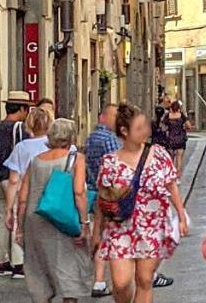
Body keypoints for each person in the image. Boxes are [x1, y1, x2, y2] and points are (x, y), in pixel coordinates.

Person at [95, 102, 189, 303]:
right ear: (124, 131)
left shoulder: (159, 154)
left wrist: (181, 216)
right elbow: (102, 198)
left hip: (153, 226)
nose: (145, 131)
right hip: (120, 227)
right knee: (120, 283)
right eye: (139, 128)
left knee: (145, 280)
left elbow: (172, 186)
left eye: (145, 126)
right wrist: (96, 232)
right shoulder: (110, 161)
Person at [16, 118, 93, 303]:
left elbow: (23, 197)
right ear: (71, 137)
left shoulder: (35, 161)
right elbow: (79, 192)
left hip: (35, 219)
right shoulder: (76, 159)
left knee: (38, 269)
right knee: (69, 266)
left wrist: (19, 227)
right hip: (64, 219)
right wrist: (84, 222)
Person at [3, 106, 63, 281]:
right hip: (52, 195)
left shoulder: (21, 148)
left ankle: (20, 264)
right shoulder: (56, 146)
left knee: (22, 230)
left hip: (27, 195)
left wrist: (9, 209)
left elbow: (14, 180)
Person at [0, 91, 32, 278]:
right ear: (22, 109)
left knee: (2, 217)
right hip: (14, 177)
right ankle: (17, 263)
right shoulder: (22, 129)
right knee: (15, 216)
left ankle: (0, 262)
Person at [85, 105, 120, 298]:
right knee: (111, 237)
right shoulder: (109, 139)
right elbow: (116, 167)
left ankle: (99, 281)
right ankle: (102, 281)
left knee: (100, 234)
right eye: (115, 116)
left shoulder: (91, 137)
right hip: (109, 194)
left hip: (94, 191)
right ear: (104, 117)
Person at [162, 101, 191, 172]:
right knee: (179, 159)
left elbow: (163, 127)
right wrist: (184, 127)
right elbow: (189, 126)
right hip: (180, 138)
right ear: (178, 108)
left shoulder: (167, 116)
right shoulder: (182, 115)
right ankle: (178, 178)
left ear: (171, 108)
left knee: (171, 159)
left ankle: (171, 175)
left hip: (170, 139)